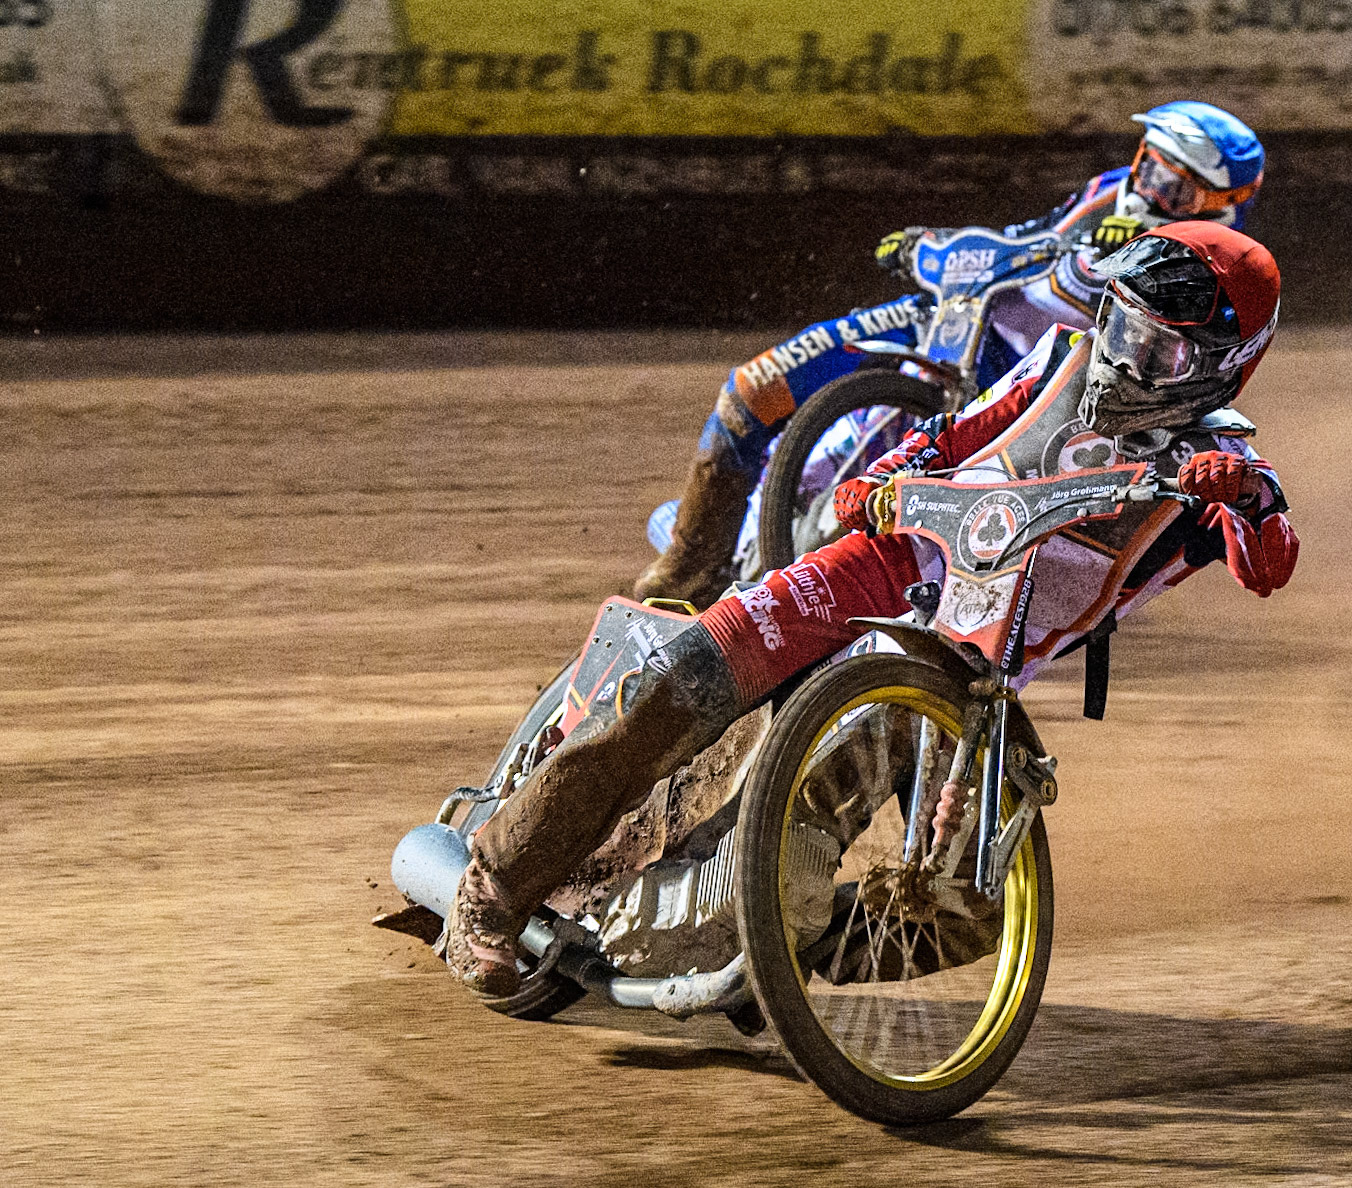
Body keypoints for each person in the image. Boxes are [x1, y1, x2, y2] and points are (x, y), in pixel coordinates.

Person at [445, 219, 1299, 998]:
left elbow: (1271, 561)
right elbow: (955, 433)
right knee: (683, 679)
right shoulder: (1060, 361)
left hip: (968, 678)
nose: (1126, 357)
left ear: (1224, 364)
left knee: (974, 909)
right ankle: (491, 892)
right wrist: (884, 477)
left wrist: (1241, 496)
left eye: (1160, 351)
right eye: (1121, 324)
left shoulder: (1225, 470)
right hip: (884, 566)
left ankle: (776, 963)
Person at [632, 100, 1268, 609]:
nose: (1151, 192)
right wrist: (931, 245)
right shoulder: (1108, 191)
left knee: (852, 492)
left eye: (1178, 190)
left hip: (1031, 389)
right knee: (756, 389)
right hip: (954, 324)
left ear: (1223, 206)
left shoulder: (1205, 267)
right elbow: (1026, 239)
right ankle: (689, 567)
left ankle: (795, 586)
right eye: (1151, 168)